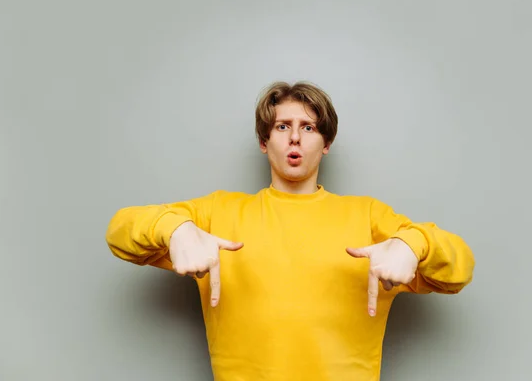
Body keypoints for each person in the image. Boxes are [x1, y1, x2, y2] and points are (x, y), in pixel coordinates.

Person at [105, 81, 475, 381]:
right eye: (283, 127)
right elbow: (119, 232)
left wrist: (414, 243)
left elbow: (460, 268)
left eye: (308, 128)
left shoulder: (368, 217)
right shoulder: (219, 212)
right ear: (265, 142)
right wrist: (176, 229)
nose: (295, 138)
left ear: (326, 143)